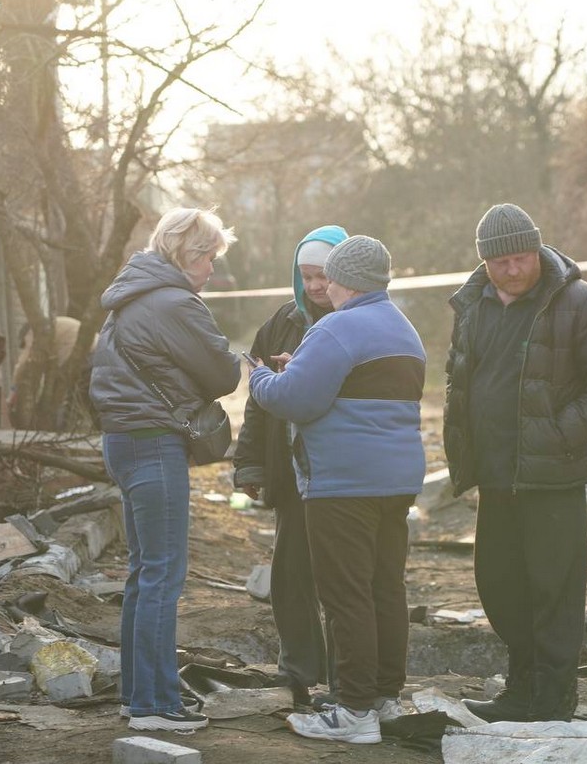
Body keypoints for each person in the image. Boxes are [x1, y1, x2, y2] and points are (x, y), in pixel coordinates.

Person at [443, 203, 587, 723]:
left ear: (537, 249)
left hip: (552, 479)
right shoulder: (474, 305)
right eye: (500, 261)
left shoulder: (577, 303)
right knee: (501, 587)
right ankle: (520, 691)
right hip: (496, 477)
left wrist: (557, 433)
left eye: (521, 257)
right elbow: (459, 380)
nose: (513, 269)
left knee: (553, 593)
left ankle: (551, 701)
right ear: (484, 262)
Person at [248, 235, 426, 745]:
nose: (323, 285)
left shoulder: (338, 327)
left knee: (346, 595)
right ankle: (383, 697)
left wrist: (261, 376)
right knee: (385, 588)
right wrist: (301, 366)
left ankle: (353, 712)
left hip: (343, 483)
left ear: (343, 279)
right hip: (395, 482)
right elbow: (354, 388)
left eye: (328, 277)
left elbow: (295, 400)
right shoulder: (403, 327)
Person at [89, 207, 241, 732]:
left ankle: (138, 695)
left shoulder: (127, 298)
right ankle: (156, 706)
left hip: (123, 441)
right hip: (155, 443)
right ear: (189, 254)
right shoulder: (176, 303)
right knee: (163, 574)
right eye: (210, 259)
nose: (213, 273)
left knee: (143, 572)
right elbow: (222, 373)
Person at [232, 224, 347, 707]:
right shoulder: (279, 322)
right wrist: (250, 466)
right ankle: (299, 670)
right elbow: (257, 402)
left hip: (341, 472)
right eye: (307, 276)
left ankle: (348, 680)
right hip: (290, 472)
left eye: (324, 276)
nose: (316, 286)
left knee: (343, 578)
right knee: (291, 575)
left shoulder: (355, 320)